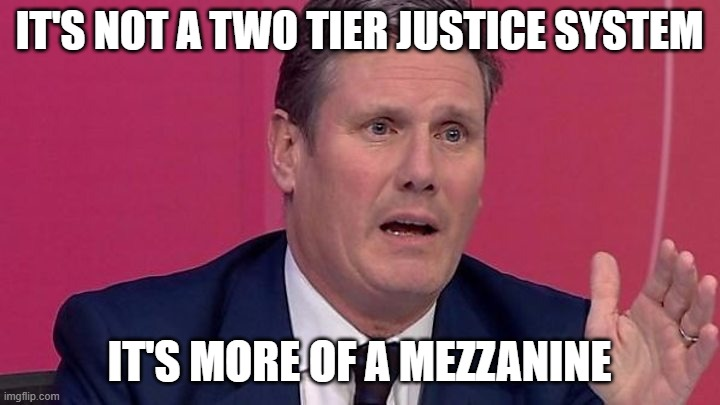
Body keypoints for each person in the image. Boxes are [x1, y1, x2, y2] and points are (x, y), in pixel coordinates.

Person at [53, 0, 718, 403]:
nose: (422, 171)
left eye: (452, 133)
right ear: (289, 150)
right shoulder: (136, 356)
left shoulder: (569, 363)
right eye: (381, 127)